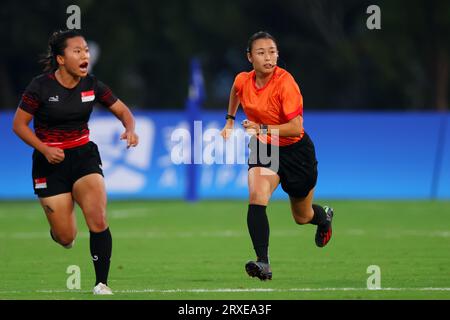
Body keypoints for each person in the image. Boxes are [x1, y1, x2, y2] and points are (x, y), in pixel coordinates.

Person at [12, 30, 139, 294]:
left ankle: (101, 283)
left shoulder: (91, 84)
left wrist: (130, 128)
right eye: (77, 51)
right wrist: (44, 148)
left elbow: (122, 110)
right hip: (49, 162)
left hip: (83, 157)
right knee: (66, 236)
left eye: (86, 51)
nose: (85, 56)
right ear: (61, 59)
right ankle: (59, 233)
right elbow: (19, 125)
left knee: (98, 218)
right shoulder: (40, 86)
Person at [220, 31, 334, 281]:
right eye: (261, 53)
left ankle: (324, 217)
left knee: (302, 217)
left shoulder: (286, 83)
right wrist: (230, 120)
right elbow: (236, 92)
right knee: (256, 196)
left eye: (272, 52)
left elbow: (296, 127)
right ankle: (263, 263)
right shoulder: (243, 80)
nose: (268, 58)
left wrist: (260, 127)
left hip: (296, 152)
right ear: (250, 57)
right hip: (264, 147)